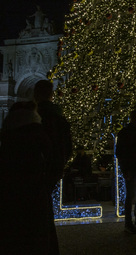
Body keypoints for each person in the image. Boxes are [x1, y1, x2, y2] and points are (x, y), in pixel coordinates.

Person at [0, 101, 51, 254]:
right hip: (34, 183)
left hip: (10, 185)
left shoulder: (8, 131)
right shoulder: (37, 130)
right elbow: (50, 155)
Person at [34, 80, 72, 254]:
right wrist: (61, 163)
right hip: (53, 168)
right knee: (45, 208)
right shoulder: (59, 117)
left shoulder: (37, 116)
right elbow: (67, 145)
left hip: (38, 170)